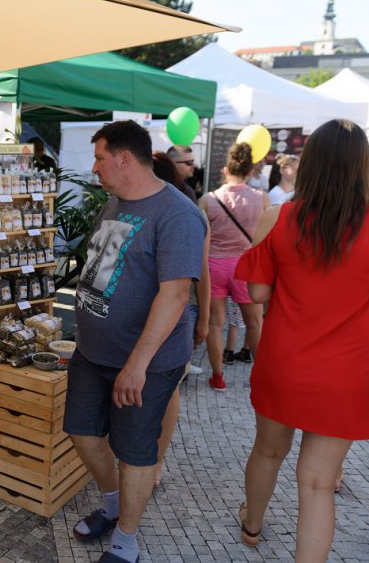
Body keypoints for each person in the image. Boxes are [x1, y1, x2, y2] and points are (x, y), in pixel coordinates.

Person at [234, 119, 369, 560]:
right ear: (361, 166)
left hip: (285, 360)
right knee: (317, 484)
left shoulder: (279, 215)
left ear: (309, 163)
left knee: (268, 451)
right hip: (347, 371)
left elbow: (256, 293)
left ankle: (252, 525)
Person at [67, 121, 206, 563]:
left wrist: (137, 363)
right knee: (82, 433)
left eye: (100, 157)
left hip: (143, 362)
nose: (94, 168)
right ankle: (112, 506)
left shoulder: (178, 214)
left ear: (125, 158)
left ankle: (127, 540)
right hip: (91, 353)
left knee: (135, 451)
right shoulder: (114, 202)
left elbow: (176, 293)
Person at [150, 151, 211, 487]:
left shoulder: (190, 213)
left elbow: (202, 272)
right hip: (147, 310)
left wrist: (204, 319)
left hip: (179, 309)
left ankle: (157, 460)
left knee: (168, 389)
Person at [199, 142, 268, 391]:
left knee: (215, 323)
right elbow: (268, 237)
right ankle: (261, 377)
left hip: (214, 265)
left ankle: (218, 376)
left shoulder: (208, 200)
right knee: (255, 323)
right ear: (250, 172)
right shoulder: (261, 199)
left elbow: (197, 236)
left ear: (225, 169)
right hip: (246, 267)